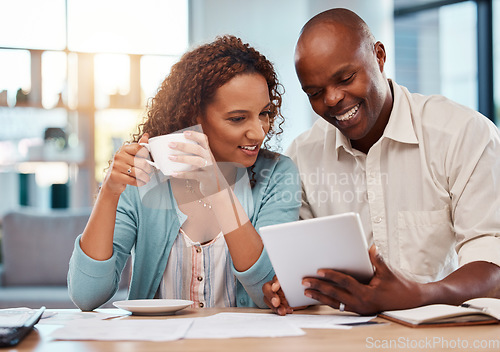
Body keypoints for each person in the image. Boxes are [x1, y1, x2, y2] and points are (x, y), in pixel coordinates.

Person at [263, 8, 500, 316]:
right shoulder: (302, 156)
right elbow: (308, 273)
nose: (332, 99)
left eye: (346, 78)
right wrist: (292, 289)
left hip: (443, 338)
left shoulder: (463, 134)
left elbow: (493, 270)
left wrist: (417, 295)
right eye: (315, 92)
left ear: (379, 56)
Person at [68, 35, 301, 311]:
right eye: (238, 118)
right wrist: (109, 192)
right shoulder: (145, 176)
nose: (259, 131)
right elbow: (86, 296)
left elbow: (270, 294)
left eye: (264, 113)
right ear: (195, 115)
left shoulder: (277, 175)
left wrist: (218, 190)